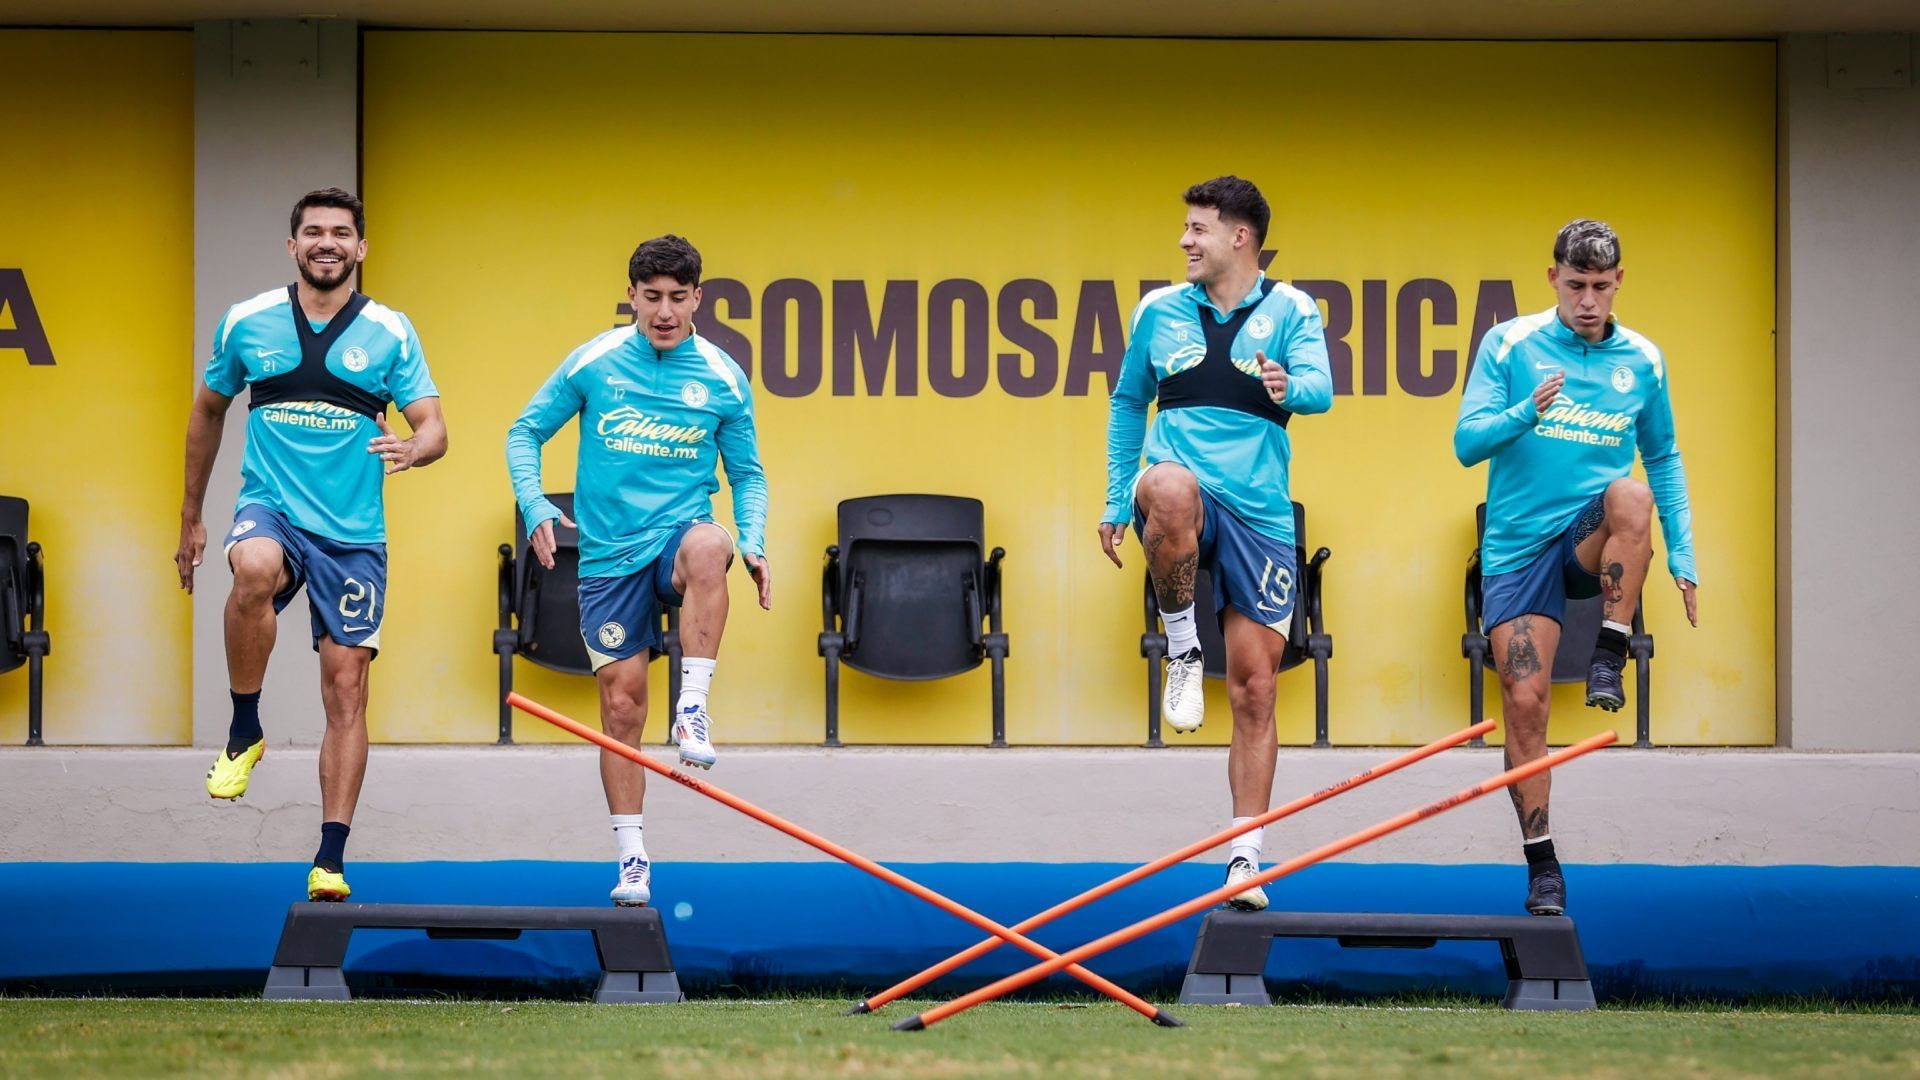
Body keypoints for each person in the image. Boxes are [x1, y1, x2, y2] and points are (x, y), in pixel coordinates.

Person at [176, 187, 447, 902]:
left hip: (353, 535)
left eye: (341, 233)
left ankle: (330, 858)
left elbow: (434, 426)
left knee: (346, 689)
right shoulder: (247, 322)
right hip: (271, 507)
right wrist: (192, 515)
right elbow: (207, 410)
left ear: (360, 249)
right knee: (253, 572)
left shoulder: (390, 330)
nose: (327, 243)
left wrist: (414, 450)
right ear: (292, 246)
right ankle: (243, 731)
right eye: (313, 232)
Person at [506, 234, 770, 907]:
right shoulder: (593, 362)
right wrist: (535, 503)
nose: (664, 311)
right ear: (632, 296)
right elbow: (524, 432)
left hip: (676, 538)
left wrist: (758, 541)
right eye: (651, 297)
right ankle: (632, 858)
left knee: (713, 548)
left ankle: (693, 709)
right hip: (607, 557)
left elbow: (746, 474)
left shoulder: (721, 375)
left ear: (697, 300)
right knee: (621, 708)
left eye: (678, 298)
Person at [1100, 176, 1333, 911]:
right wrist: (1115, 499)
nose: (1184, 241)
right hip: (1184, 491)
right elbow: (1128, 403)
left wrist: (1285, 383)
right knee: (1166, 487)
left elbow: (1322, 392)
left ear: (1241, 237)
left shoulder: (1293, 309)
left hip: (1261, 514)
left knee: (1256, 690)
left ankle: (1245, 858)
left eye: (1197, 229)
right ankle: (1180, 643)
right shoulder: (1158, 311)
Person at [1455, 218, 1699, 915]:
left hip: (1588, 539)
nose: (1587, 300)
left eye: (1600, 286)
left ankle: (1609, 650)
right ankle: (1543, 867)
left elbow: (1666, 459)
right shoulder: (1510, 343)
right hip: (1519, 549)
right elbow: (1466, 444)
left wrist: (1682, 554)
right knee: (1524, 705)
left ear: (1618, 282)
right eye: (1575, 285)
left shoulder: (1644, 360)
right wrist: (1522, 415)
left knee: (1630, 493)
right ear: (1552, 278)